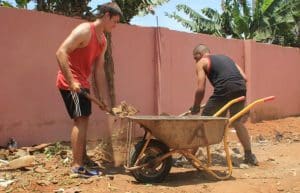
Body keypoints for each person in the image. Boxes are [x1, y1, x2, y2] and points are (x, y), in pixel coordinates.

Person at [56, 2, 123, 176]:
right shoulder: (85, 30)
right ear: (106, 15)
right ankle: (77, 166)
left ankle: (82, 158)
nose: (115, 26)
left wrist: (101, 98)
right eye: (114, 21)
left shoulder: (103, 41)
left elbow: (99, 70)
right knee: (81, 120)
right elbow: (61, 52)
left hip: (83, 83)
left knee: (84, 119)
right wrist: (71, 82)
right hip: (69, 81)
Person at [189, 44, 258, 166]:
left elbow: (200, 89)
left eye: (195, 58)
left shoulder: (202, 62)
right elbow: (244, 78)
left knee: (202, 122)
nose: (195, 61)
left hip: (224, 89)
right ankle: (249, 156)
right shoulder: (227, 58)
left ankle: (189, 157)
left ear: (199, 55)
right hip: (240, 88)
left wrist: (196, 106)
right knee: (237, 122)